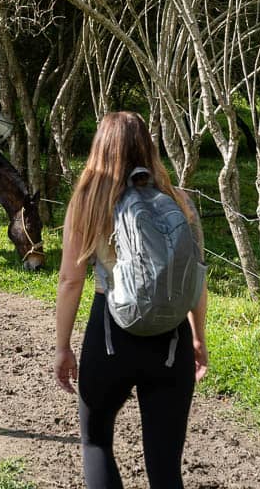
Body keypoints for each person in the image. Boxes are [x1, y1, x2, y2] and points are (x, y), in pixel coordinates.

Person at [53, 111, 208, 489]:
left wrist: (62, 347)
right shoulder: (178, 199)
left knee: (96, 443)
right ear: (148, 147)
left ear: (100, 148)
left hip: (109, 338)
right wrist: (198, 337)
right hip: (171, 344)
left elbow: (71, 280)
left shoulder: (88, 201)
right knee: (165, 466)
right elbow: (196, 277)